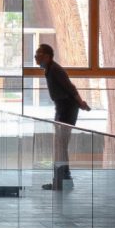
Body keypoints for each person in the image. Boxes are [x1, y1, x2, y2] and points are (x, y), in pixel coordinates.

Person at [34, 43, 90, 190]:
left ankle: (63, 180)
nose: (35, 56)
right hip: (62, 107)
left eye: (38, 54)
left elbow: (71, 88)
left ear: (47, 56)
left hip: (66, 108)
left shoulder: (55, 70)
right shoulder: (49, 69)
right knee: (60, 146)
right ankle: (62, 180)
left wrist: (81, 103)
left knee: (61, 145)